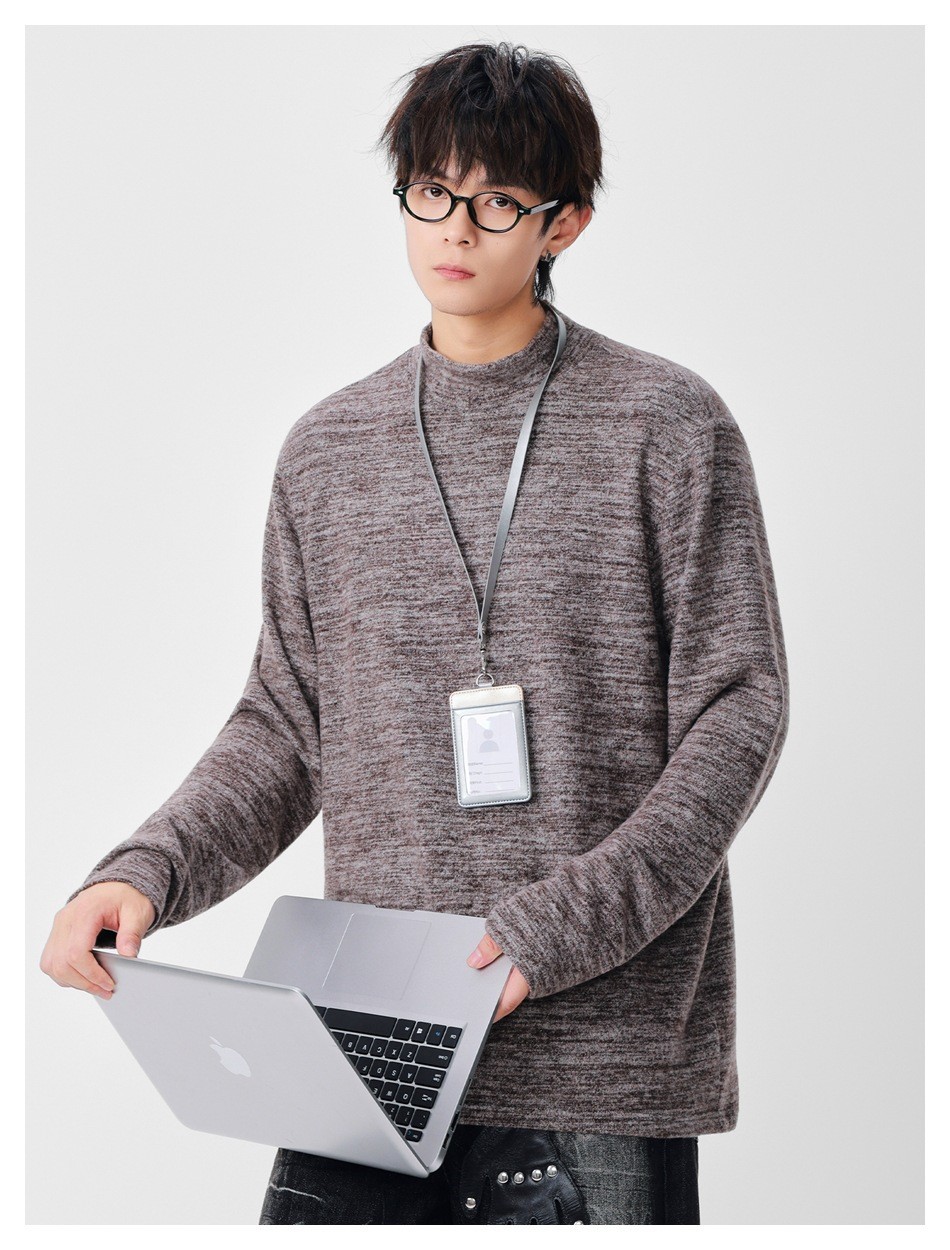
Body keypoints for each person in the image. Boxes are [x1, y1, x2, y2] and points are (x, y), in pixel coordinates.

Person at [39, 41, 790, 1225]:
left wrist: (550, 931)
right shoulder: (328, 451)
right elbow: (287, 727)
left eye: (498, 202)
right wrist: (147, 870)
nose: (456, 229)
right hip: (361, 1055)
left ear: (565, 222)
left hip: (597, 1062)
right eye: (433, 192)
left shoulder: (666, 424)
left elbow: (738, 711)